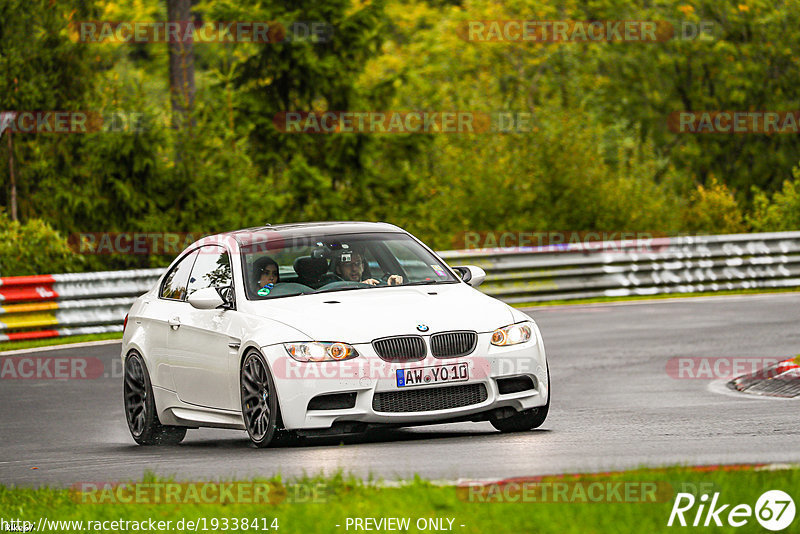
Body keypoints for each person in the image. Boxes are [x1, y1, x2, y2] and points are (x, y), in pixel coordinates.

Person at [333, 249, 403, 286]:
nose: (354, 268)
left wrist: (392, 282)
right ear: (338, 269)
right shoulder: (329, 289)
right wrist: (361, 285)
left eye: (357, 264)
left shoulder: (374, 283)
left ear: (363, 267)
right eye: (348, 264)